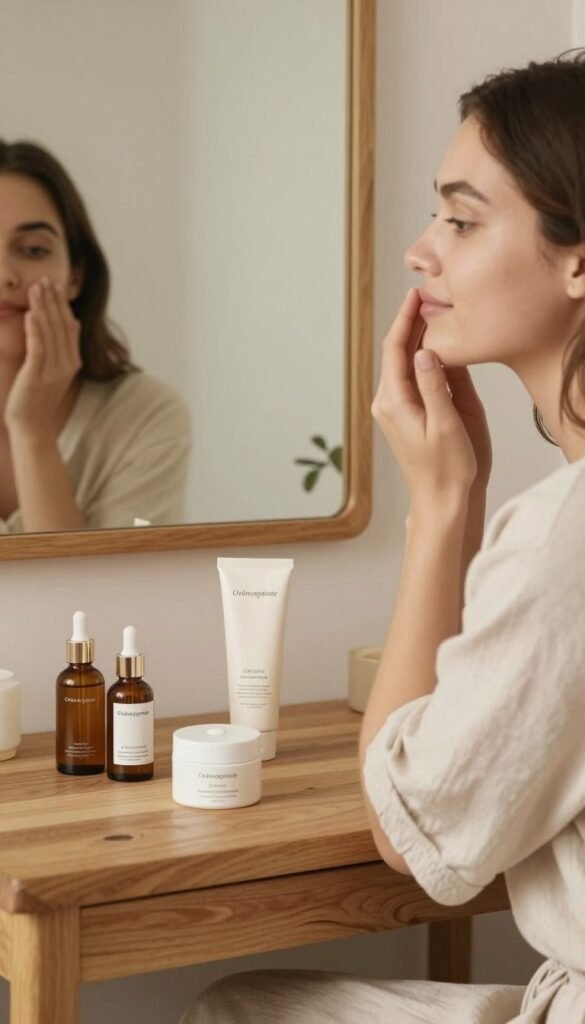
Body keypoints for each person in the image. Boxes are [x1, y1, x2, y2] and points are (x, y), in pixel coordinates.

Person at [181, 51, 585, 1024]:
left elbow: (414, 839)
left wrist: (442, 506)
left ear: (578, 259)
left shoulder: (563, 536)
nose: (419, 251)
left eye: (460, 219)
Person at [0, 140, 190, 533]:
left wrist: (32, 431)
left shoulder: (144, 416)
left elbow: (101, 576)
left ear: (75, 277)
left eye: (32, 250)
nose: (5, 276)